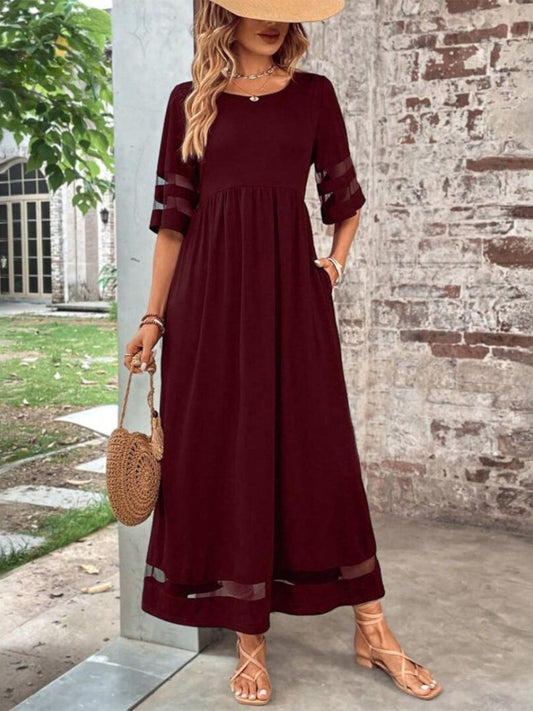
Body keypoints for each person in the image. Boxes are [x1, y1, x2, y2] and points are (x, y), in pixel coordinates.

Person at [124, 0, 443, 705]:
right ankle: (250, 639)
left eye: (283, 8)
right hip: (206, 306)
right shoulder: (189, 101)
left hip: (290, 301)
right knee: (228, 454)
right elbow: (173, 224)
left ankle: (373, 629)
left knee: (319, 453)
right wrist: (153, 318)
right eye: (257, 6)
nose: (273, 19)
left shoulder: (313, 95)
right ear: (226, 14)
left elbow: (344, 199)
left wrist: (331, 266)